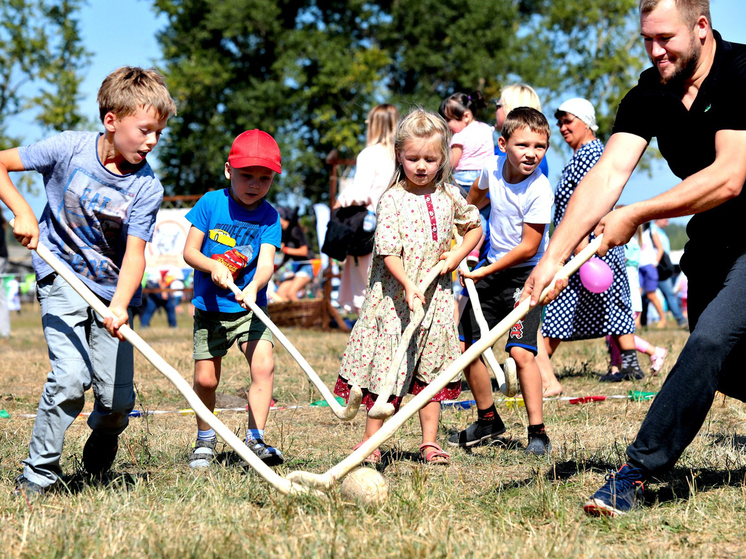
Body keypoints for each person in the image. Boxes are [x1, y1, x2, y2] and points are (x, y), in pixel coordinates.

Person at [522, 0, 746, 516]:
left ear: (702, 28)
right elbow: (607, 175)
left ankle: (636, 474)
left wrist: (637, 214)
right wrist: (551, 260)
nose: (654, 49)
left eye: (665, 37)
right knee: (725, 371)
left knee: (710, 340)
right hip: (713, 241)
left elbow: (730, 176)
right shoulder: (649, 93)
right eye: (647, 38)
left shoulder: (740, 72)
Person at [6, 67, 177, 497]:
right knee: (68, 379)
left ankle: (102, 441)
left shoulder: (146, 187)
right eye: (144, 130)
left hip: (110, 292)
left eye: (158, 132)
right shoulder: (68, 149)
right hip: (60, 275)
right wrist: (24, 212)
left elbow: (136, 253)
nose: (152, 141)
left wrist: (119, 306)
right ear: (112, 120)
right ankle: (38, 475)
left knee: (118, 404)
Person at [334, 109, 481, 465]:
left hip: (437, 299)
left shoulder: (449, 194)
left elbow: (474, 226)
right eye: (413, 158)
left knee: (430, 371)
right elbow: (388, 254)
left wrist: (456, 255)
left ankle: (429, 443)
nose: (421, 166)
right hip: (396, 300)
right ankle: (371, 443)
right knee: (388, 368)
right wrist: (410, 286)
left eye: (430, 159)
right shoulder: (393, 200)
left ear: (443, 158)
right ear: (399, 155)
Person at [449, 107, 554, 455]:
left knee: (521, 353)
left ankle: (538, 432)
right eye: (523, 144)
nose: (532, 153)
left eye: (540, 146)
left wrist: (482, 270)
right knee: (467, 348)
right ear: (502, 143)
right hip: (492, 268)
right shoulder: (491, 168)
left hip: (526, 277)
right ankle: (488, 419)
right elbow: (474, 201)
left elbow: (528, 247)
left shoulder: (540, 189)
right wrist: (463, 229)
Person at [183, 129, 284, 469]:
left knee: (264, 366)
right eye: (246, 176)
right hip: (211, 309)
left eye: (264, 178)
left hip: (250, 307)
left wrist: (255, 286)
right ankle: (205, 440)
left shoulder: (270, 216)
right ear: (229, 170)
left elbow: (267, 262)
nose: (254, 184)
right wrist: (213, 265)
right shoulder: (210, 203)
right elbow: (189, 252)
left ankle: (255, 438)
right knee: (206, 380)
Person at [540, 98, 645, 383]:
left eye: (568, 121)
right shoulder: (581, 154)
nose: (562, 127)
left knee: (572, 303)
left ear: (586, 122)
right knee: (582, 304)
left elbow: (592, 201)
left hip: (589, 246)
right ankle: (629, 365)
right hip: (581, 245)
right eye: (560, 122)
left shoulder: (592, 153)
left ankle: (539, 365)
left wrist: (579, 242)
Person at [335, 104, 399, 313]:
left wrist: (341, 200)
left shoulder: (369, 154)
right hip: (397, 225)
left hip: (368, 229)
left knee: (368, 290)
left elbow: (360, 193)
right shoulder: (401, 154)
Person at [438, 91, 495, 193]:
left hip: (464, 180)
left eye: (449, 120)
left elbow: (452, 162)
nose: (446, 125)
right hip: (486, 179)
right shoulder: (487, 129)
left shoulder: (460, 135)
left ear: (466, 116)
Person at [651, 217, 688, 327]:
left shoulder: (659, 231)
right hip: (658, 268)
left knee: (648, 295)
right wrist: (656, 263)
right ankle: (680, 320)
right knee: (667, 294)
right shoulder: (653, 230)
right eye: (666, 220)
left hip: (660, 267)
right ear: (658, 219)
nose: (668, 223)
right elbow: (659, 249)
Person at [275, 207, 315, 302]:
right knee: (280, 294)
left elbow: (304, 251)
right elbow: (286, 257)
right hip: (298, 267)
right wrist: (275, 268)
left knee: (291, 294)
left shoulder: (295, 230)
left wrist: (285, 250)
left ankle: (303, 316)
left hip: (308, 265)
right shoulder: (283, 234)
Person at [637, 222, 668, 327]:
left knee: (651, 295)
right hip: (638, 266)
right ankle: (637, 321)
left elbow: (660, 248)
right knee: (637, 294)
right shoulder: (636, 232)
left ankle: (662, 319)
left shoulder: (651, 231)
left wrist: (655, 262)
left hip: (650, 266)